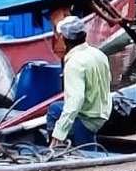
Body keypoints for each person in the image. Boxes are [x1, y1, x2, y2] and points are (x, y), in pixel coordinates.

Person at [47, 15, 112, 149]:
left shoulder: (74, 63)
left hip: (88, 118)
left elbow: (75, 100)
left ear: (65, 40)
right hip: (104, 112)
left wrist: (59, 133)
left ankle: (57, 147)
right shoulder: (99, 54)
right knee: (56, 108)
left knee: (55, 111)